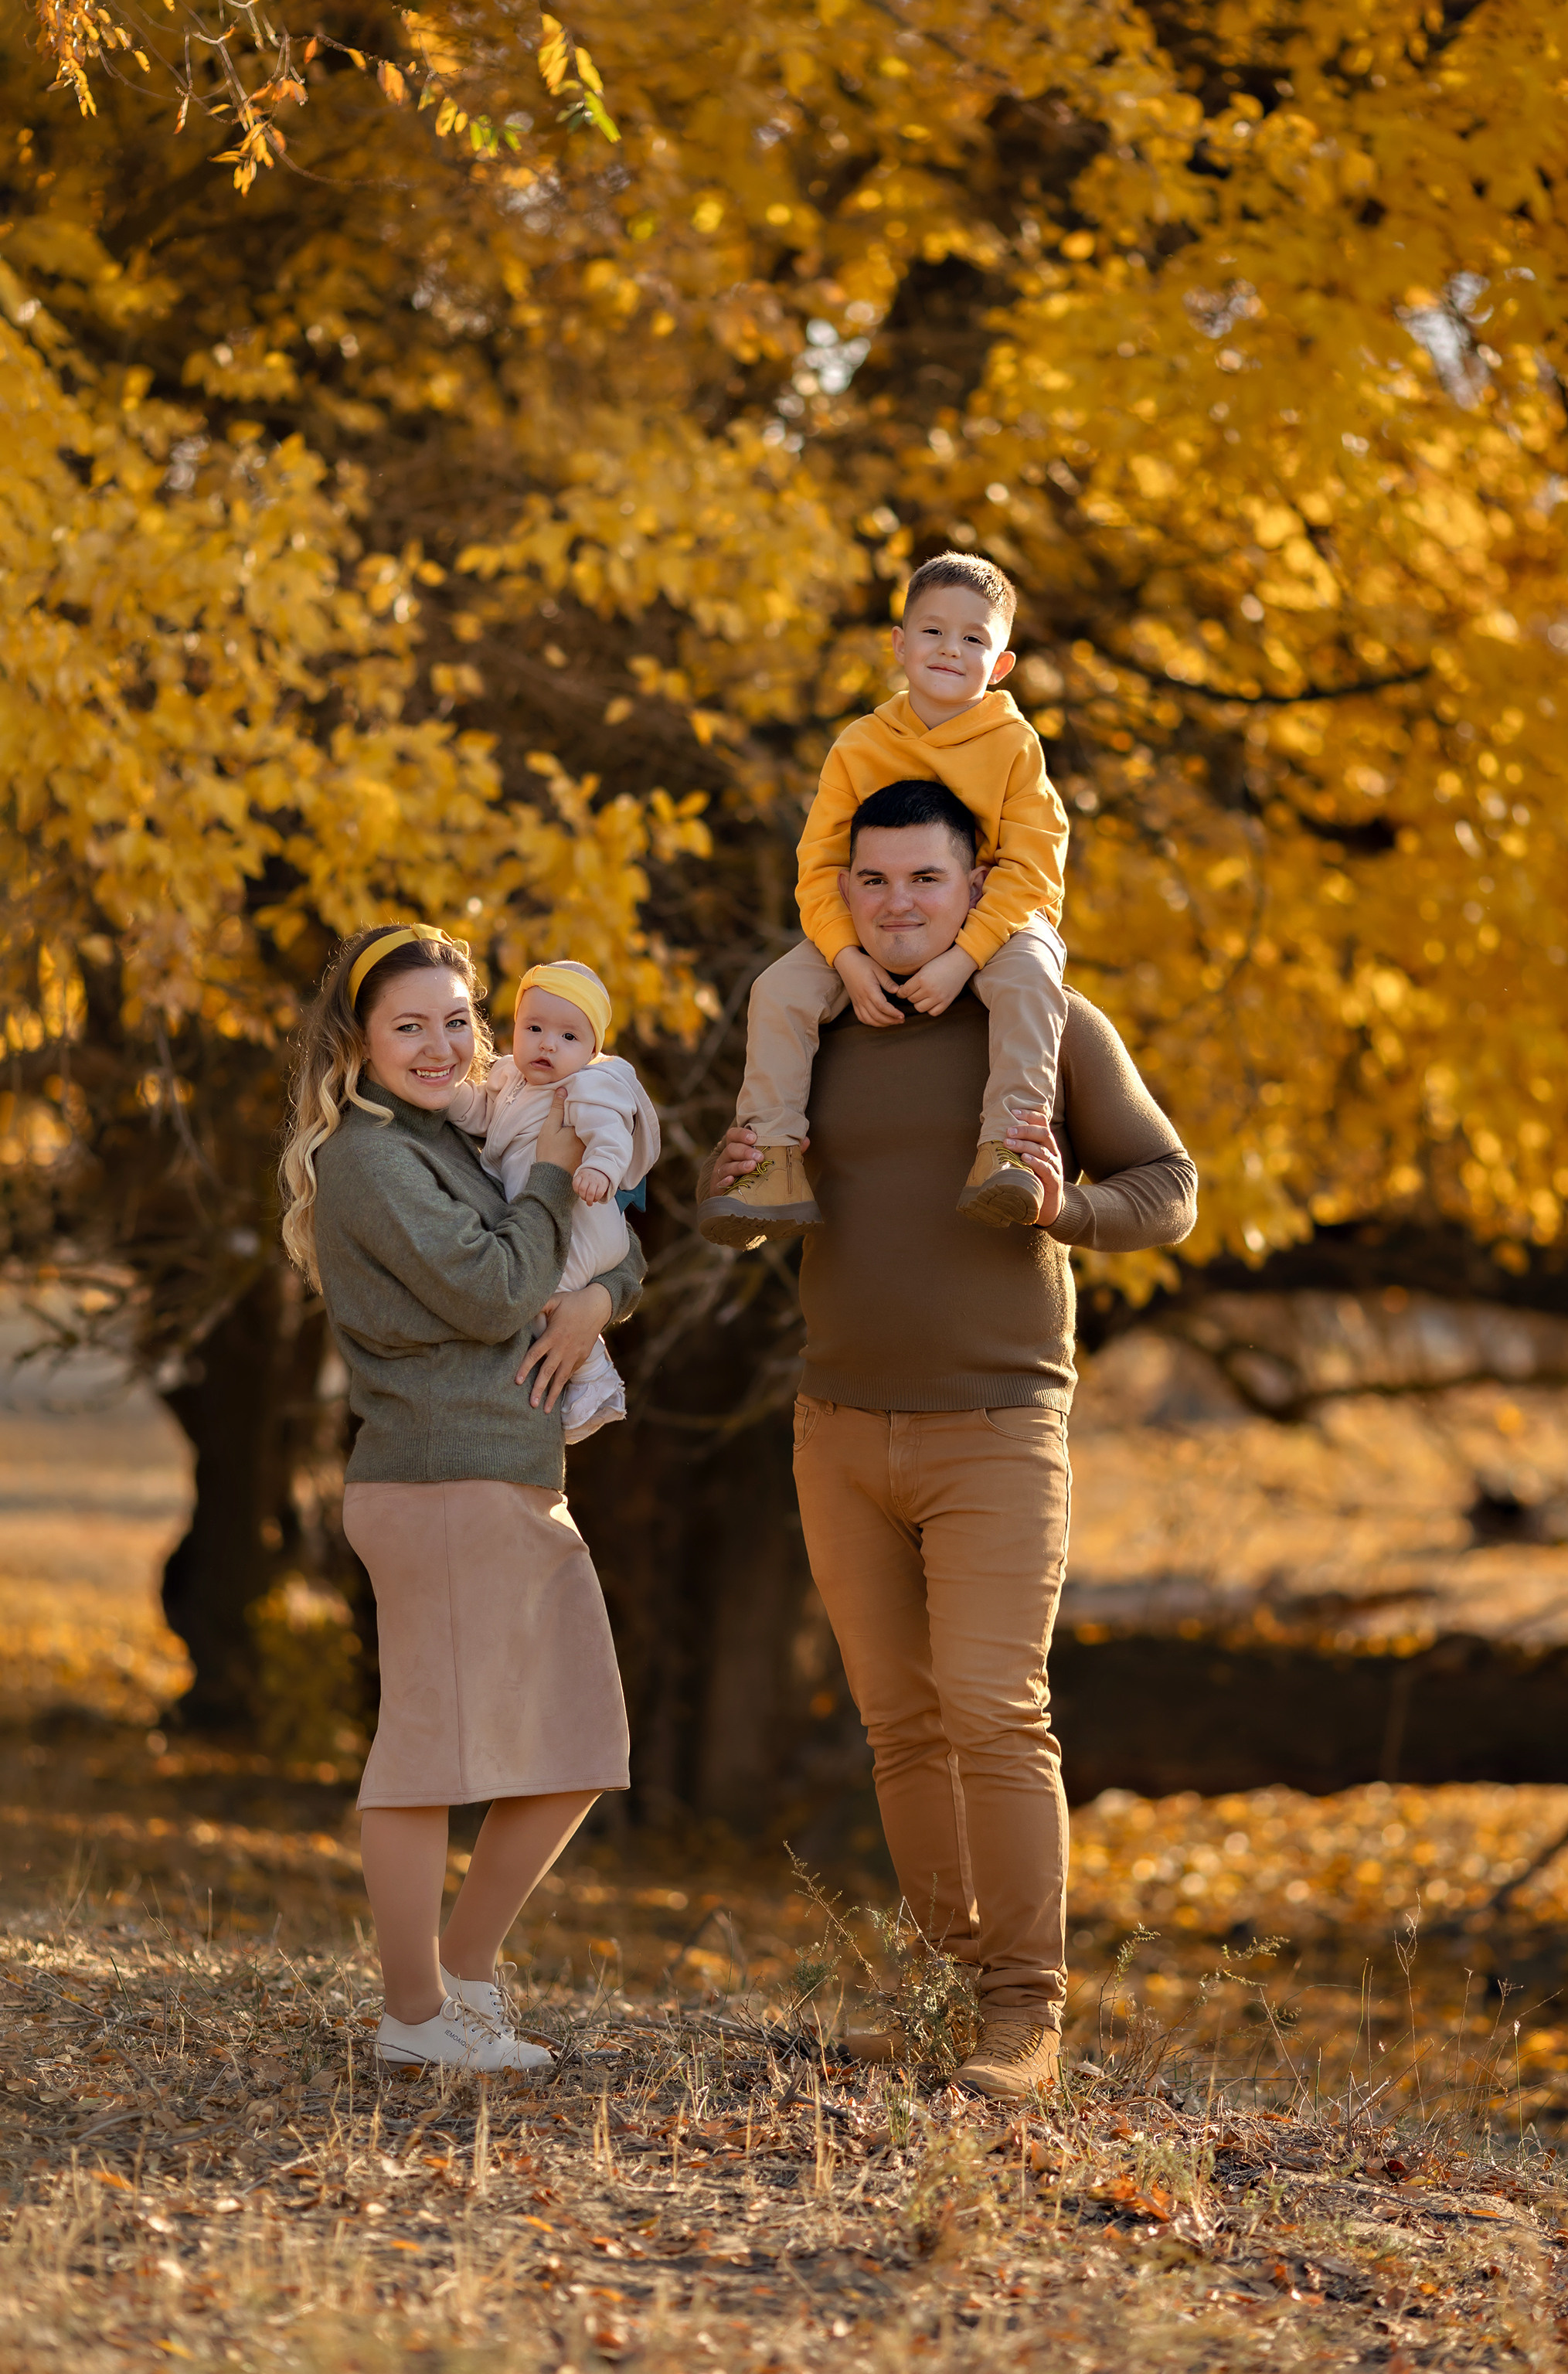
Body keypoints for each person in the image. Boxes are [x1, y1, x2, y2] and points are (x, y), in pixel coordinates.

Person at [699, 782, 1198, 2101]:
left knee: (992, 1708)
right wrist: (724, 1183)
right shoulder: (813, 1024)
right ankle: (934, 1991)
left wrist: (1061, 1208)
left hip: (994, 1424)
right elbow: (749, 1203)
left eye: (925, 879)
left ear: (975, 885)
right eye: (872, 881)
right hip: (836, 1426)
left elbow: (1168, 1188)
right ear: (843, 890)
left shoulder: (1043, 1022)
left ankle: (1022, 2016)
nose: (898, 903)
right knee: (899, 1726)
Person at [278, 923, 644, 2073]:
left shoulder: (465, 1130)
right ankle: (414, 2011)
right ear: (359, 1040)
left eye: (455, 1020)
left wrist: (599, 1301)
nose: (441, 1046)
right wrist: (550, 1173)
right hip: (437, 1480)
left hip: (509, 1471)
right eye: (409, 1026)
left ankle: (466, 1980)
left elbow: (605, 1242)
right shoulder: (372, 1159)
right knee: (428, 1755)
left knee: (581, 1740)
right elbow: (495, 1291)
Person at [705, 553, 1070, 1246]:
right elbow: (820, 867)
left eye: (974, 639)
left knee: (1030, 977)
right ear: (900, 644)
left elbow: (1033, 870)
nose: (950, 651)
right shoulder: (860, 745)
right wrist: (846, 959)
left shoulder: (1015, 748)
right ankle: (771, 1161)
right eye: (932, 632)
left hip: (997, 927)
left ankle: (1011, 1149)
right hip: (868, 927)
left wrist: (965, 957)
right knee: (778, 991)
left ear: (1000, 665)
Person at [447, 959, 660, 1444]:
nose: (547, 1044)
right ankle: (584, 1381)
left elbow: (610, 1135)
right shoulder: (508, 1077)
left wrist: (599, 1170)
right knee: (544, 1297)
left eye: (568, 1037)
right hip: (550, 1216)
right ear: (515, 1028)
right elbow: (482, 1113)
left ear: (592, 1050)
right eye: (535, 1028)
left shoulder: (588, 1086)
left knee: (539, 1294)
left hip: (582, 1220)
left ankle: (593, 1380)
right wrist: (448, 1097)